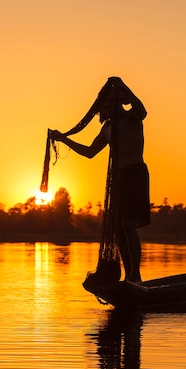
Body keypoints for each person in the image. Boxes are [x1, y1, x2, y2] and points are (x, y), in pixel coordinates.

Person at [48, 77, 150, 283]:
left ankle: (136, 275)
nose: (105, 111)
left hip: (135, 173)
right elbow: (89, 152)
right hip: (119, 178)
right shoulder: (107, 128)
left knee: (127, 224)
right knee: (120, 228)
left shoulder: (133, 117)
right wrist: (63, 138)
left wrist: (122, 86)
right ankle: (129, 275)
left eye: (109, 105)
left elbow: (142, 109)